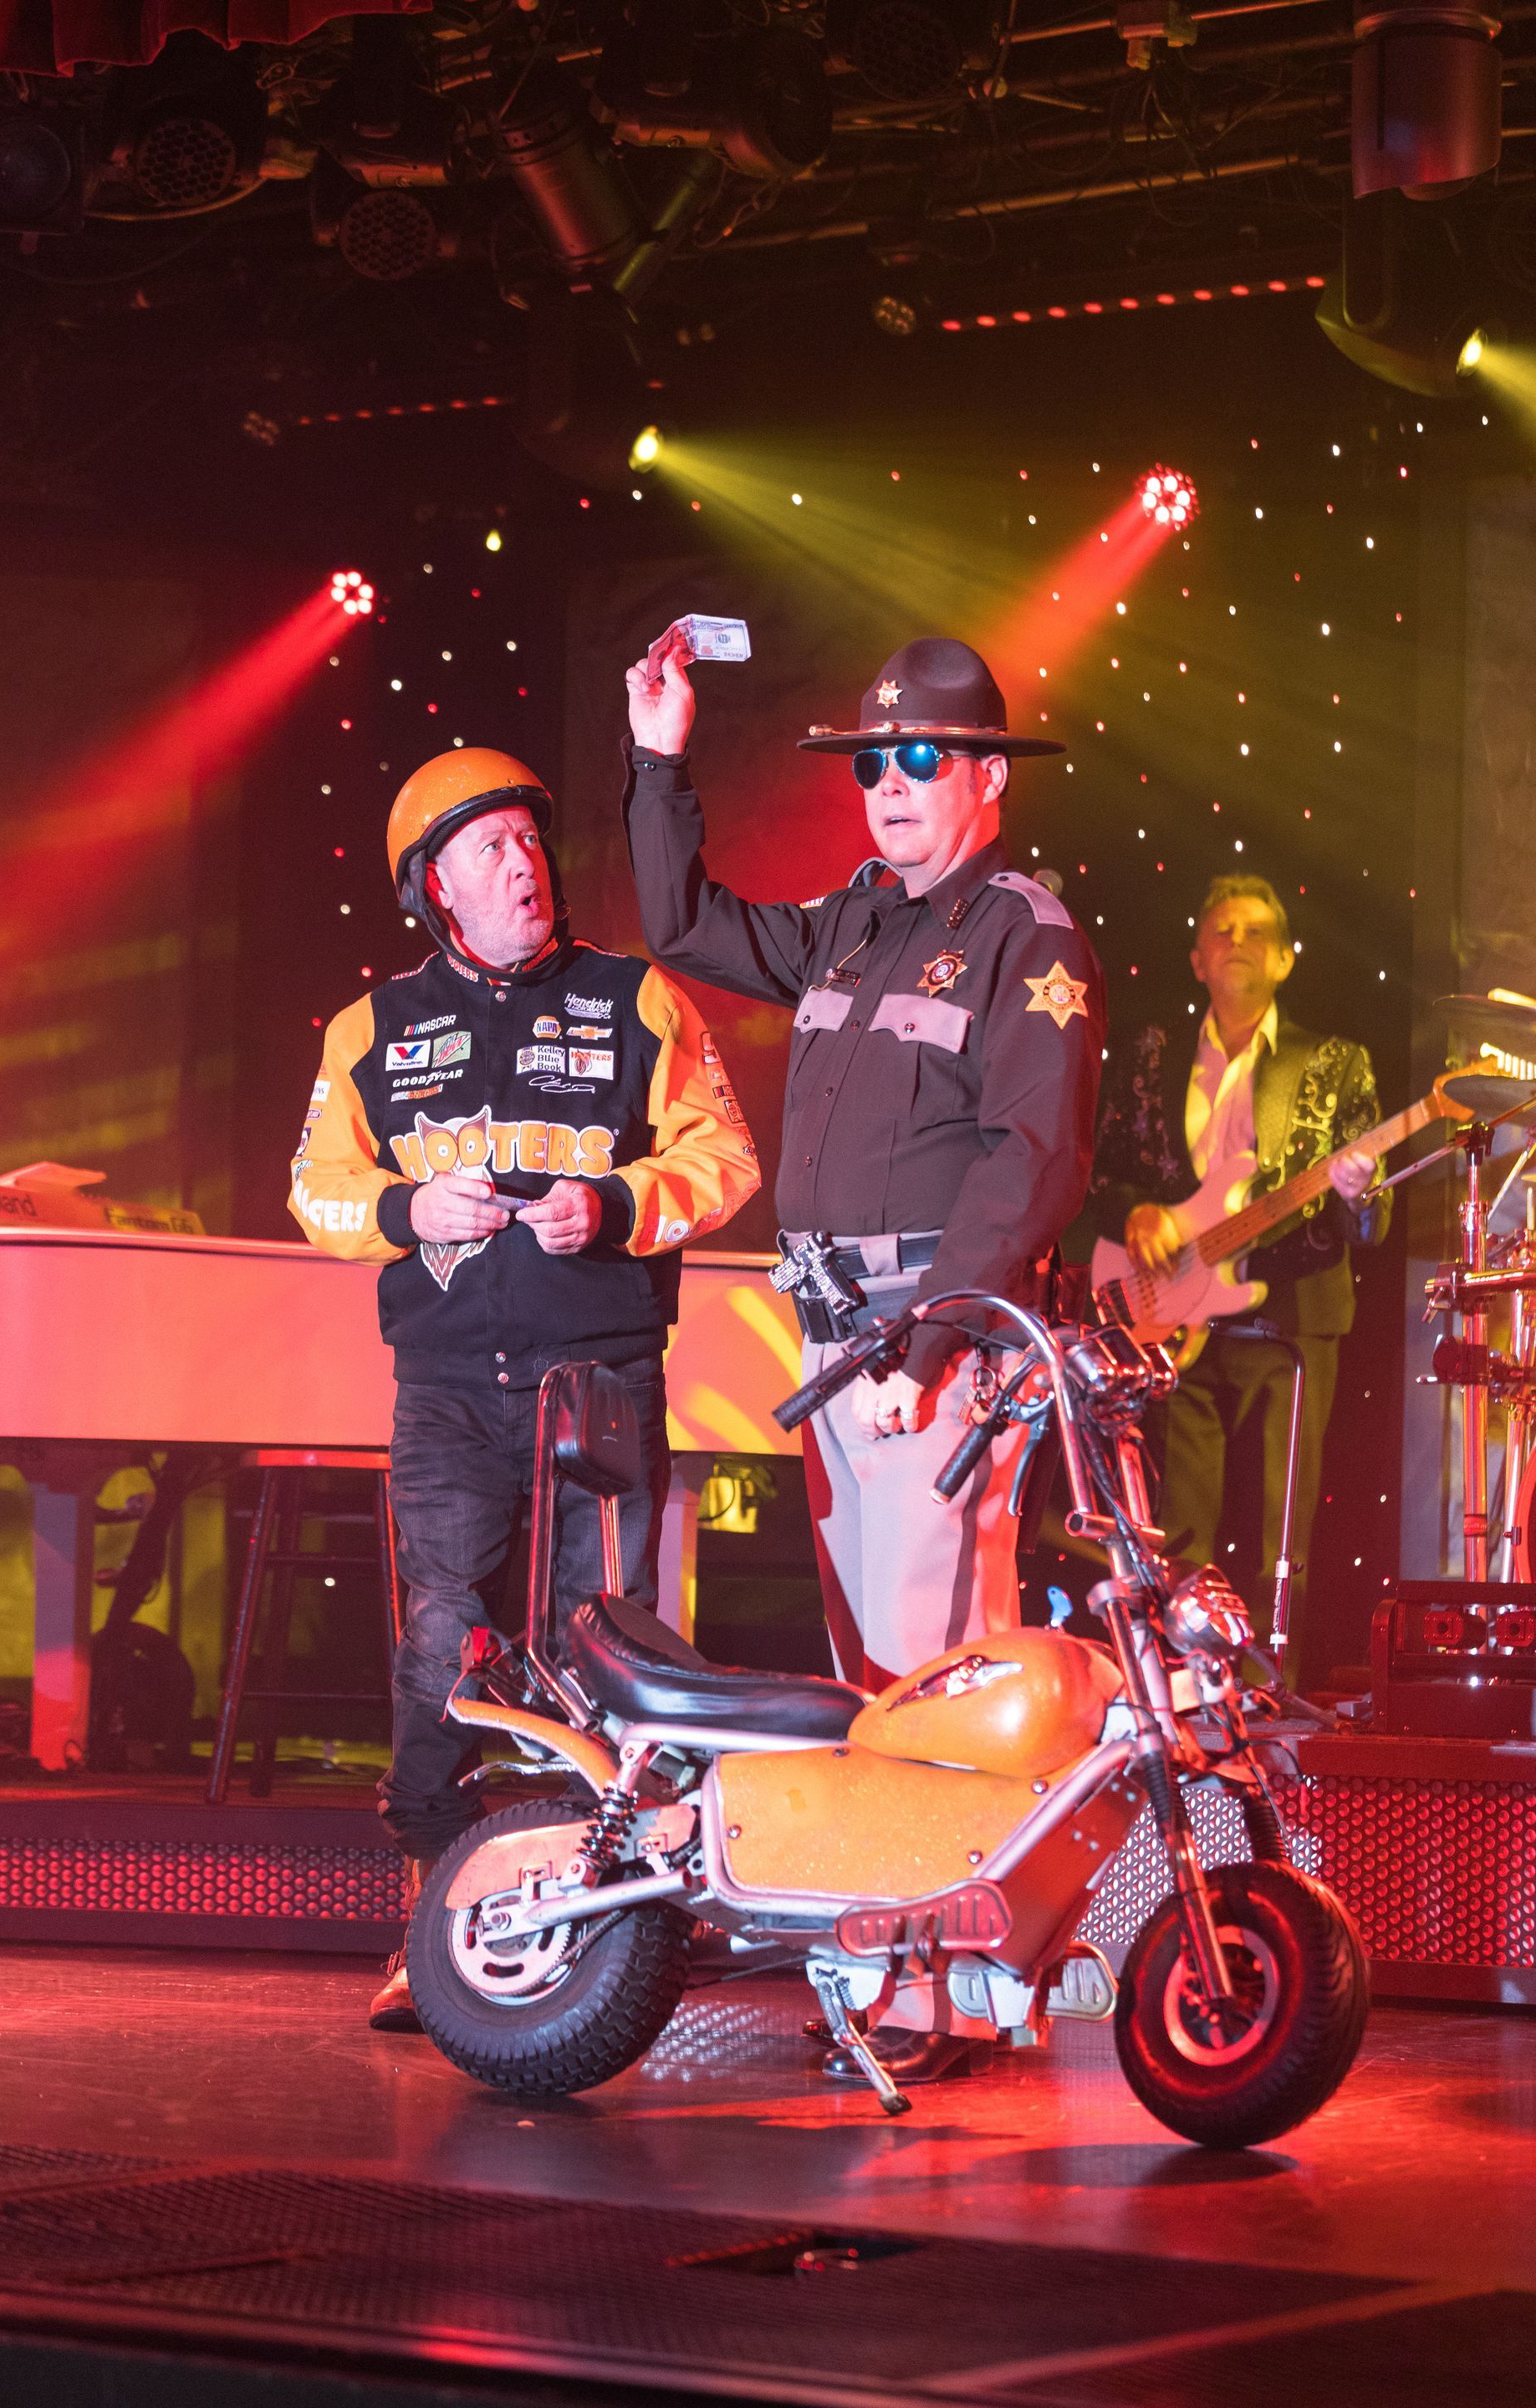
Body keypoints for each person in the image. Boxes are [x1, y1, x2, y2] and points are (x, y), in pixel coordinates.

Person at [624, 635, 1105, 2084]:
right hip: (839, 1339)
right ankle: (908, 1962)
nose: (889, 786)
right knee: (879, 1669)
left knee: (945, 1668)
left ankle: (952, 1987)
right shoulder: (854, 919)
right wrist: (660, 758)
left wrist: (939, 1333)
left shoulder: (1028, 934)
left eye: (920, 761)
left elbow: (1033, 1157)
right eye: (873, 763)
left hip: (923, 1344)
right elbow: (686, 927)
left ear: (985, 781)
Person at [289, 747, 758, 2031]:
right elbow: (314, 1189)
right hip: (446, 1390)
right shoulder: (368, 1031)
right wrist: (400, 1203)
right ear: (438, 885)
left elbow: (725, 1157)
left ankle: (610, 1932)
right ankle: (431, 1922)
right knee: (442, 1643)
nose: (526, 863)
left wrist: (611, 1203)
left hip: (595, 1385)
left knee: (595, 1648)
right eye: (492, 848)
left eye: (531, 842)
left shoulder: (638, 999)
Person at [1086, 873, 1388, 1666]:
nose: (1239, 944)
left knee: (1279, 1531)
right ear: (1196, 960)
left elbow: (1373, 1216)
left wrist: (1359, 1193)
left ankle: (1271, 1696)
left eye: (1257, 932)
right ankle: (1189, 1687)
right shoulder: (1152, 1054)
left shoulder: (1332, 1063)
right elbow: (1102, 1169)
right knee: (1181, 1526)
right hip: (1178, 1325)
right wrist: (1134, 1213)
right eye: (1223, 930)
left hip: (1290, 1320)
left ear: (1286, 960)